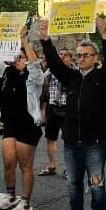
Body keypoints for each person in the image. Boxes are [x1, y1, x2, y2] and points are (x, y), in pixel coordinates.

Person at [40, 17, 106, 210]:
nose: (81, 59)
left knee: (96, 185)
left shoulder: (103, 76)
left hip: (94, 143)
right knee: (73, 184)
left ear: (95, 58)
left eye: (86, 55)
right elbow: (54, 63)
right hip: (72, 142)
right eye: (79, 55)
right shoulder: (71, 76)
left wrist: (104, 35)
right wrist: (45, 39)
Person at [0, 26, 44, 210]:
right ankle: (11, 195)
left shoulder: (35, 78)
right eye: (17, 57)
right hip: (10, 124)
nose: (17, 60)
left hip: (27, 125)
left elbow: (35, 64)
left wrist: (24, 40)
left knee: (25, 165)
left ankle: (26, 201)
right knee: (8, 162)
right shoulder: (9, 73)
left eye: (21, 57)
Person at [39, 48, 73, 176]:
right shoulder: (50, 70)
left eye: (66, 55)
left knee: (69, 140)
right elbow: (40, 79)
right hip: (53, 107)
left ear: (70, 58)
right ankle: (52, 166)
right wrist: (41, 65)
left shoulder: (73, 72)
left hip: (69, 110)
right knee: (50, 138)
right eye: (61, 55)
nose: (63, 57)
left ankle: (69, 169)